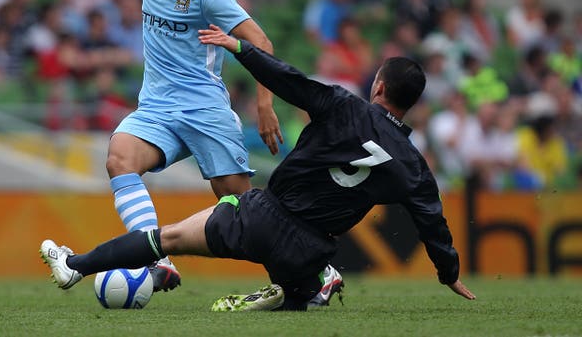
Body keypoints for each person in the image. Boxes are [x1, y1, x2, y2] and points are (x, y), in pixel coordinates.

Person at [40, 26, 476, 312]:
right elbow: (431, 220)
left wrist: (241, 49)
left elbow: (287, 79)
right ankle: (304, 288)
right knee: (298, 289)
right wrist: (449, 273)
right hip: (312, 248)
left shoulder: (344, 107)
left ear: (377, 86)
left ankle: (75, 264)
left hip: (263, 216)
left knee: (166, 239)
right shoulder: (412, 165)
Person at [99, 0, 287, 295]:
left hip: (204, 111)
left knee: (243, 208)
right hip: (156, 109)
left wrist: (265, 105)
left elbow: (262, 43)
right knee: (119, 159)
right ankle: (155, 260)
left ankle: (317, 272)